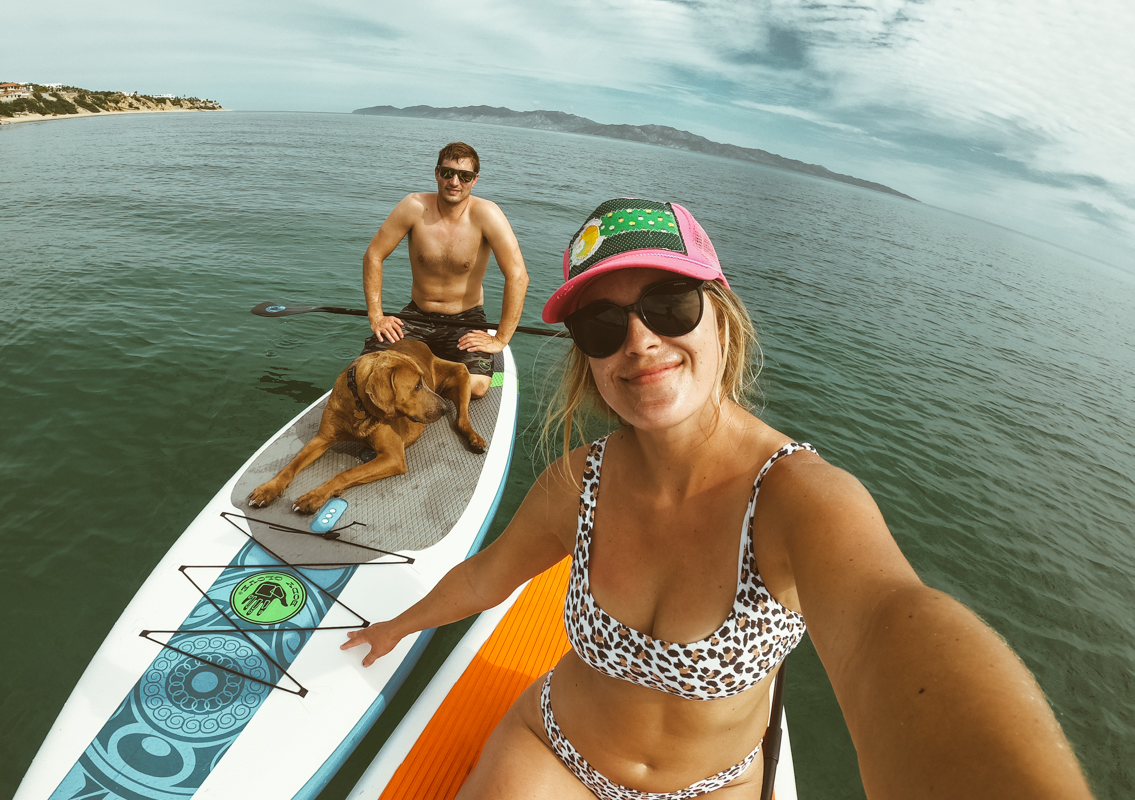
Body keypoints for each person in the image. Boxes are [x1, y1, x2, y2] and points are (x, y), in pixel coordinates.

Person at [343, 198, 1093, 799]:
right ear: (588, 360)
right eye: (602, 326)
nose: (637, 341)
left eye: (669, 306)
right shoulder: (580, 482)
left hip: (716, 784)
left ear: (722, 319)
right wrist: (396, 627)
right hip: (556, 753)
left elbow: (888, 626)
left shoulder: (801, 499)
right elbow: (489, 575)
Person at [361, 142, 529, 398]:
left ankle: (418, 377)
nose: (455, 182)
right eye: (448, 172)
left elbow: (518, 276)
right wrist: (376, 316)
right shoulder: (414, 206)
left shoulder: (487, 214)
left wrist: (500, 338)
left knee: (478, 387)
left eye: (464, 176)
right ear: (437, 172)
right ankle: (428, 372)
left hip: (466, 320)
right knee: (366, 371)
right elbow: (374, 255)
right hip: (416, 316)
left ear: (475, 180)